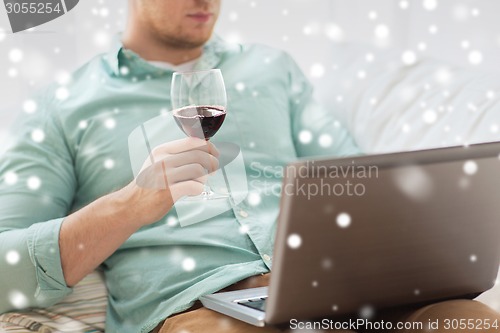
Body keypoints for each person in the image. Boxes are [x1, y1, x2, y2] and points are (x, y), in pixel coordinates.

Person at [0, 0, 498, 332]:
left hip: (332, 295)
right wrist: (131, 204)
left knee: (471, 321)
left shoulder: (272, 69)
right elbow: (5, 270)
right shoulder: (63, 106)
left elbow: (356, 180)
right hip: (199, 310)